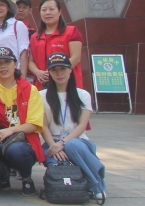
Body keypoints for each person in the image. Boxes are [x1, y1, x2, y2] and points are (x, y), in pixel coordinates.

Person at [40, 53, 107, 200]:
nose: (59, 73)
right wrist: (54, 146)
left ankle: (96, 185)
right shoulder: (41, 96)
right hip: (52, 142)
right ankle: (73, 187)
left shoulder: (82, 95)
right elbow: (43, 126)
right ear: (49, 72)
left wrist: (63, 143)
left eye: (63, 69)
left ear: (70, 70)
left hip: (78, 141)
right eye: (54, 70)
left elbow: (82, 125)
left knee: (73, 146)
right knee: (62, 168)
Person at [0, 47, 44, 196]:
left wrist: (11, 130)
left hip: (23, 143)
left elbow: (34, 124)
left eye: (7, 62)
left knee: (17, 151)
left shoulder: (30, 89)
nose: (3, 66)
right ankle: (4, 173)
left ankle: (26, 178)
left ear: (15, 64)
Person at [28, 0, 84, 90]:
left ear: (59, 12)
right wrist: (38, 72)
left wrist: (55, 73)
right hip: (43, 83)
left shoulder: (71, 32)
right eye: (44, 10)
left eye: (52, 9)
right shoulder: (35, 37)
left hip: (67, 83)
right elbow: (31, 61)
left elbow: (76, 57)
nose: (47, 13)